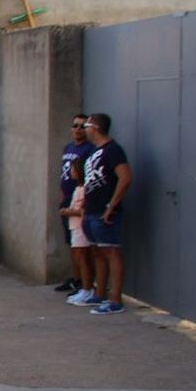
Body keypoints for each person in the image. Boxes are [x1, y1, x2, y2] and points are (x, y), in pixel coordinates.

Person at [81, 113, 132, 315]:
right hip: (91, 211)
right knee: (98, 252)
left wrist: (111, 206)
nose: (84, 130)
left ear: (95, 127)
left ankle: (115, 299)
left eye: (86, 126)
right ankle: (99, 293)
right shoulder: (96, 151)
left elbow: (125, 178)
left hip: (105, 212)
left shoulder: (113, 150)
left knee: (112, 252)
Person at [55, 114, 95, 294]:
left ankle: (85, 283)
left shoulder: (89, 150)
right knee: (72, 244)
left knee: (82, 246)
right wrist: (62, 194)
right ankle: (76, 278)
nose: (78, 129)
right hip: (67, 199)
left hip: (79, 200)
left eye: (82, 126)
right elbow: (64, 174)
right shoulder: (68, 148)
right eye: (75, 126)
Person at [60, 157, 95, 307]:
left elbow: (83, 211)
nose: (71, 172)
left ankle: (87, 288)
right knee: (78, 258)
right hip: (74, 227)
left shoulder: (85, 189)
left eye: (73, 169)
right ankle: (83, 287)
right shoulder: (78, 188)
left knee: (83, 259)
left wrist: (68, 211)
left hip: (81, 227)